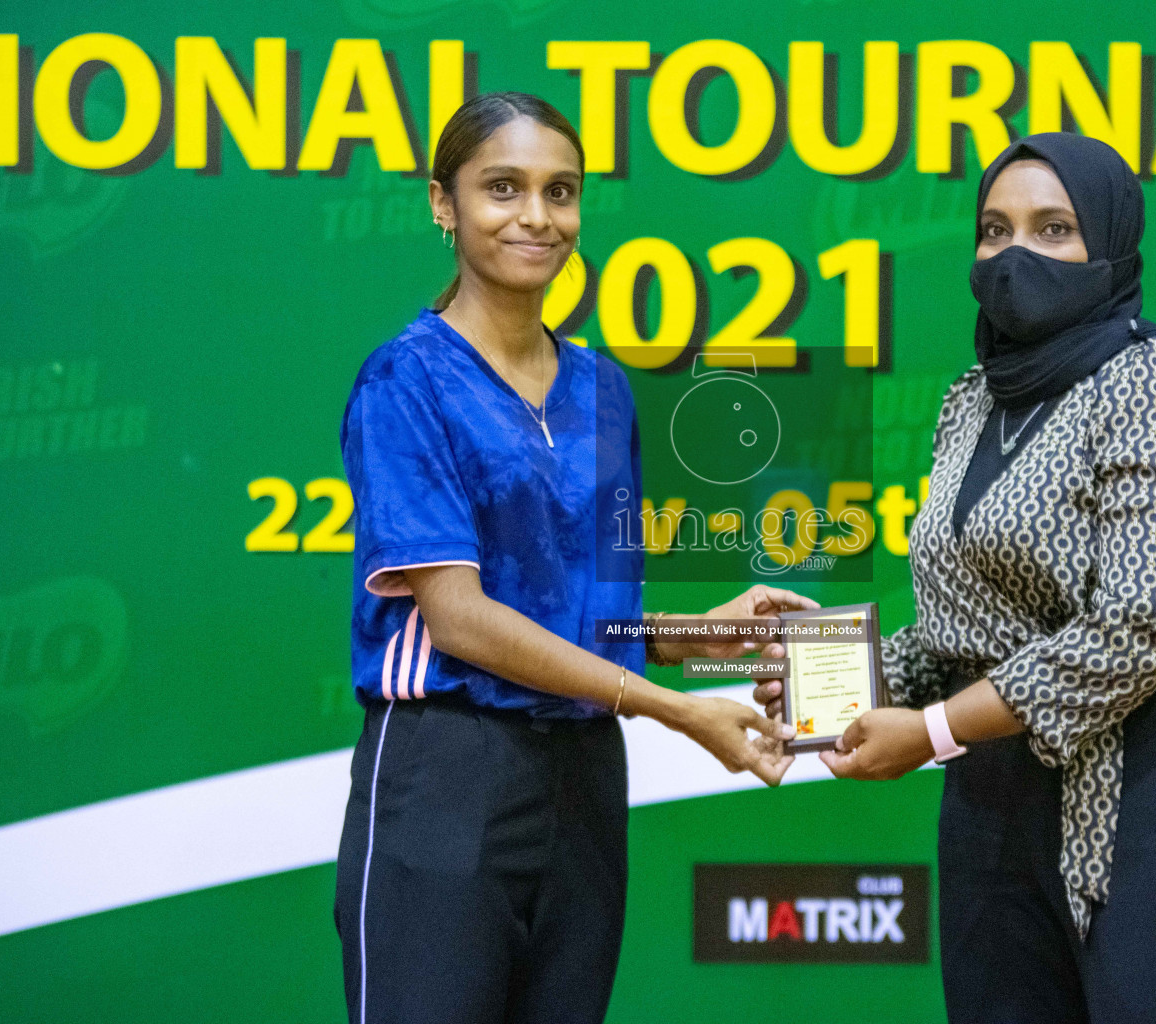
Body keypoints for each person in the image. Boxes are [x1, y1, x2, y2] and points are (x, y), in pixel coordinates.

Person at [755, 132, 1156, 1022]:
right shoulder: (972, 398)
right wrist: (823, 677)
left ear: (1108, 243)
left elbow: (1138, 628)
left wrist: (935, 729)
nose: (1015, 254)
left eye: (1054, 228)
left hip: (1146, 809)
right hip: (990, 818)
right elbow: (963, 629)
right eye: (994, 230)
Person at [332, 92, 810, 1024]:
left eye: (562, 192)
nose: (536, 217)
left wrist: (697, 637)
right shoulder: (405, 379)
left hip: (586, 782)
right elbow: (460, 619)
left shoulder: (605, 387)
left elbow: (590, 618)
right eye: (501, 188)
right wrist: (672, 706)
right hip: (449, 774)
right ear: (443, 203)